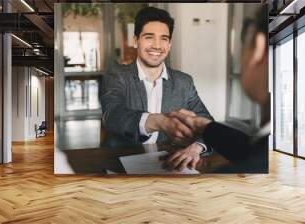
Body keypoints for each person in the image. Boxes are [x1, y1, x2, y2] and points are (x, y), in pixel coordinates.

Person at [101, 7, 213, 165]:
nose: (157, 45)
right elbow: (113, 115)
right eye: (149, 37)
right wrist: (161, 122)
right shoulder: (117, 75)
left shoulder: (184, 82)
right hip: (120, 163)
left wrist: (196, 147)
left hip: (168, 164)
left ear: (170, 44)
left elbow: (207, 121)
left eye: (164, 38)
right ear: (135, 40)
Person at [163, 7, 269, 173]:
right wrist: (204, 127)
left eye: (164, 39)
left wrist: (198, 144)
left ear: (258, 47)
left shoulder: (184, 80)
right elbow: (251, 149)